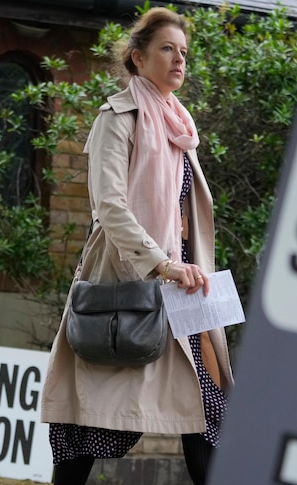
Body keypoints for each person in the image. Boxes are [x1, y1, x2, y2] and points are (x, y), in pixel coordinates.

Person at [40, 7, 234, 485]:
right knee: (90, 419)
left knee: (209, 410)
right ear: (137, 57)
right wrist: (162, 264)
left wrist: (182, 262)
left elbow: (184, 210)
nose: (179, 60)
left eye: (184, 52)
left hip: (185, 285)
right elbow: (109, 206)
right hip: (131, 280)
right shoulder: (118, 118)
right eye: (167, 49)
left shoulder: (179, 124)